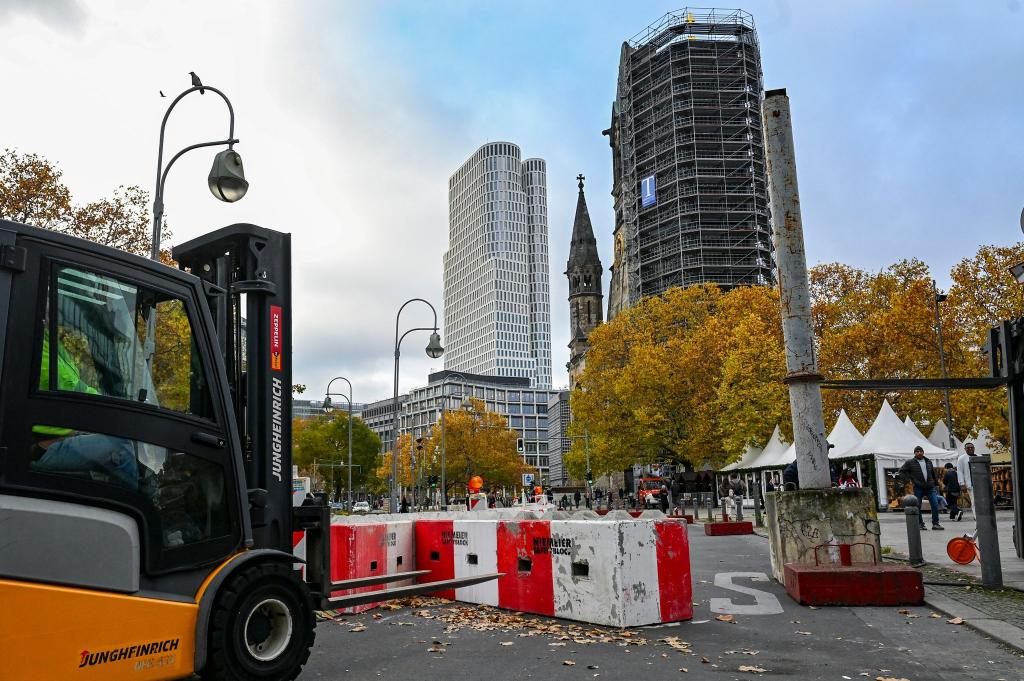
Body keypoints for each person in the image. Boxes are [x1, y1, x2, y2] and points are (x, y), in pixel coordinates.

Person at [899, 445, 943, 530]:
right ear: (914, 453)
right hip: (918, 487)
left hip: (930, 487)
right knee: (917, 506)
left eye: (920, 451)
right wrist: (909, 480)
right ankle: (920, 524)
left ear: (923, 452)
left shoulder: (928, 461)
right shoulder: (910, 462)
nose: (919, 453)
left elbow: (933, 473)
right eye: (917, 451)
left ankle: (936, 523)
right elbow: (901, 471)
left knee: (935, 504)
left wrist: (936, 484)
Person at [955, 442, 977, 519]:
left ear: (974, 448)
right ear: (965, 449)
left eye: (972, 447)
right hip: (970, 483)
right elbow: (960, 471)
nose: (970, 449)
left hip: (980, 483)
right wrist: (961, 483)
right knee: (974, 501)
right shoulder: (962, 458)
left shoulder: (979, 456)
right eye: (968, 448)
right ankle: (976, 517)